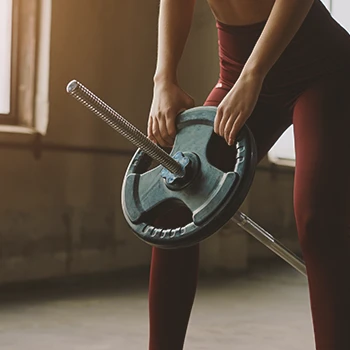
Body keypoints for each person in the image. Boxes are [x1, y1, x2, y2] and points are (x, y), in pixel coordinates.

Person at [146, 0, 350, 349]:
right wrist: (163, 79)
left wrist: (254, 74)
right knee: (176, 200)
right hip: (237, 69)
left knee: (317, 218)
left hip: (322, 72)